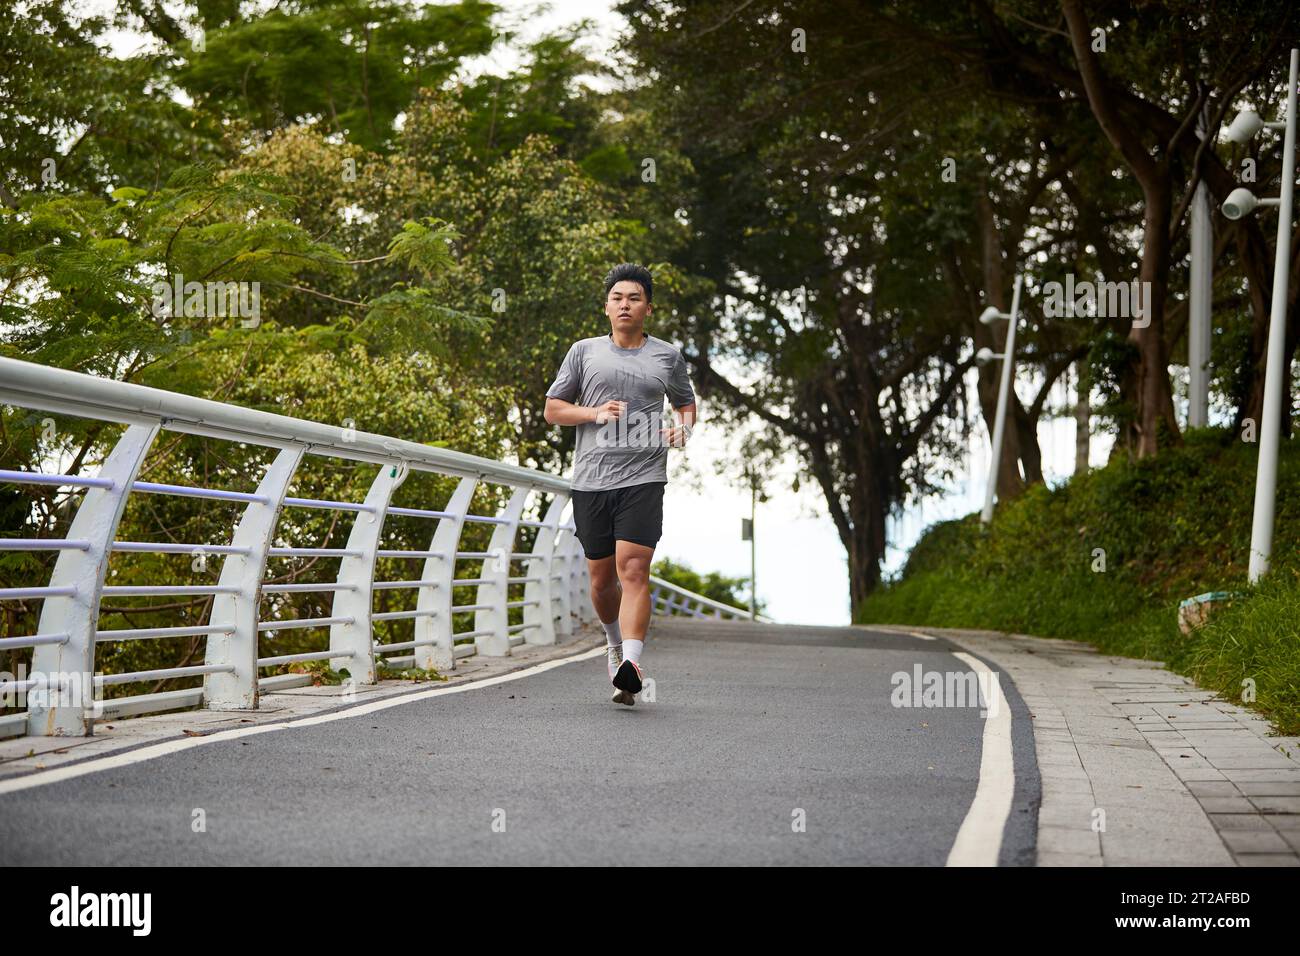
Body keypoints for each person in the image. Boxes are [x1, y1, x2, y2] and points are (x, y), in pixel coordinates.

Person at [543, 263, 697, 705]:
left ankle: (632, 662)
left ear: (648, 307)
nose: (625, 304)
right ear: (607, 306)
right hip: (593, 480)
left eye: (633, 298)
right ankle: (613, 646)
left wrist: (684, 430)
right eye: (617, 298)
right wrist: (593, 413)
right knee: (601, 579)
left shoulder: (666, 356)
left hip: (645, 475)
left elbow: (686, 404)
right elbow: (554, 409)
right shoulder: (584, 352)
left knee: (633, 569)